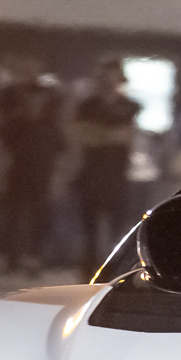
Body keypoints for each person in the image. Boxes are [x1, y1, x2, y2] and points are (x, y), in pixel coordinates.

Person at [0, 55, 64, 273]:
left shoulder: (49, 128)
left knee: (39, 216)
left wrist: (57, 175)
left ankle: (35, 256)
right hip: (16, 171)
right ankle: (12, 257)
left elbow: (60, 149)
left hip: (41, 173)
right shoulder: (13, 124)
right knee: (14, 214)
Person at [72, 58, 141, 279]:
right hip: (91, 171)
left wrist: (104, 135)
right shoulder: (87, 106)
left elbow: (129, 137)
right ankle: (88, 272)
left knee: (118, 228)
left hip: (117, 172)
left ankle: (114, 271)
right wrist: (112, 136)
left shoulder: (128, 106)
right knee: (90, 227)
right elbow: (84, 136)